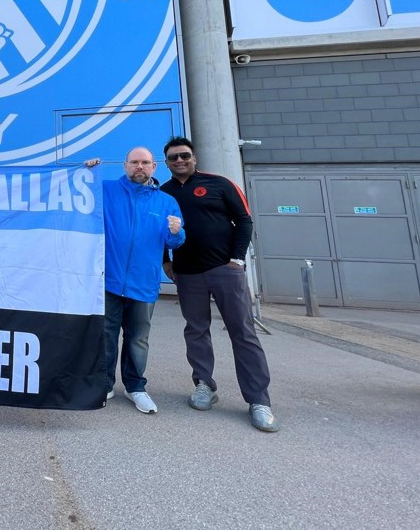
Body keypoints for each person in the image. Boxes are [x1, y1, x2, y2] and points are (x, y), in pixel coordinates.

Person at [160, 136, 279, 432]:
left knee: (243, 333)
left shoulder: (220, 184)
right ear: (166, 162)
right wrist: (166, 262)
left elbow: (244, 220)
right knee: (196, 331)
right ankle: (204, 385)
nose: (179, 161)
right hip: (187, 275)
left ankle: (258, 400)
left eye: (184, 155)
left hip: (224, 270)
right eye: (173, 158)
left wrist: (237, 260)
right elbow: (155, 229)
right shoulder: (163, 193)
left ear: (194, 157)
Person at [89, 148, 184, 414]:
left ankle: (135, 387)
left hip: (143, 283)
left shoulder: (166, 202)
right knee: (106, 336)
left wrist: (177, 233)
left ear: (154, 167)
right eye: (134, 162)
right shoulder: (105, 190)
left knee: (138, 339)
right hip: (109, 281)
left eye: (144, 163)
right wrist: (87, 169)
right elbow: (77, 190)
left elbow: (174, 241)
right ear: (125, 165)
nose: (139, 167)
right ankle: (105, 384)